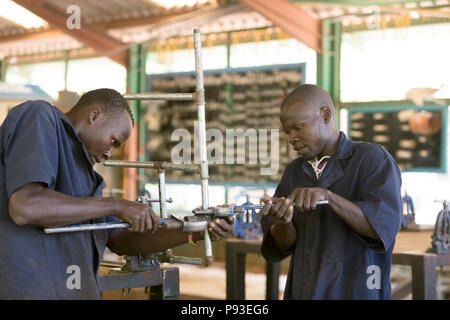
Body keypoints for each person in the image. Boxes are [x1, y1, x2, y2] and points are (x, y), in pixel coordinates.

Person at [0, 88, 234, 299]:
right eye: (113, 141)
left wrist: (195, 231)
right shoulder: (39, 115)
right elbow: (26, 207)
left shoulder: (88, 180)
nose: (110, 153)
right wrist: (117, 205)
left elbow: (121, 240)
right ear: (94, 116)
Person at [260, 84, 402, 300]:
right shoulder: (295, 172)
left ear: (325, 114)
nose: (292, 138)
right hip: (304, 292)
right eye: (288, 131)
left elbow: (381, 227)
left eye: (298, 127)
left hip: (357, 291)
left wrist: (328, 197)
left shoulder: (371, 159)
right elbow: (282, 246)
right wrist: (283, 221)